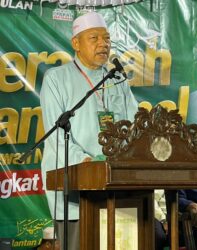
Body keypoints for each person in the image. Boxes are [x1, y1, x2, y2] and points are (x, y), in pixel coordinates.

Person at [40, 11, 138, 250]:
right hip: (77, 186)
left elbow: (136, 126)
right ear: (76, 43)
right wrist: (86, 162)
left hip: (117, 184)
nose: (103, 44)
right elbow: (56, 136)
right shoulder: (56, 79)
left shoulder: (117, 80)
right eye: (94, 38)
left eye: (106, 39)